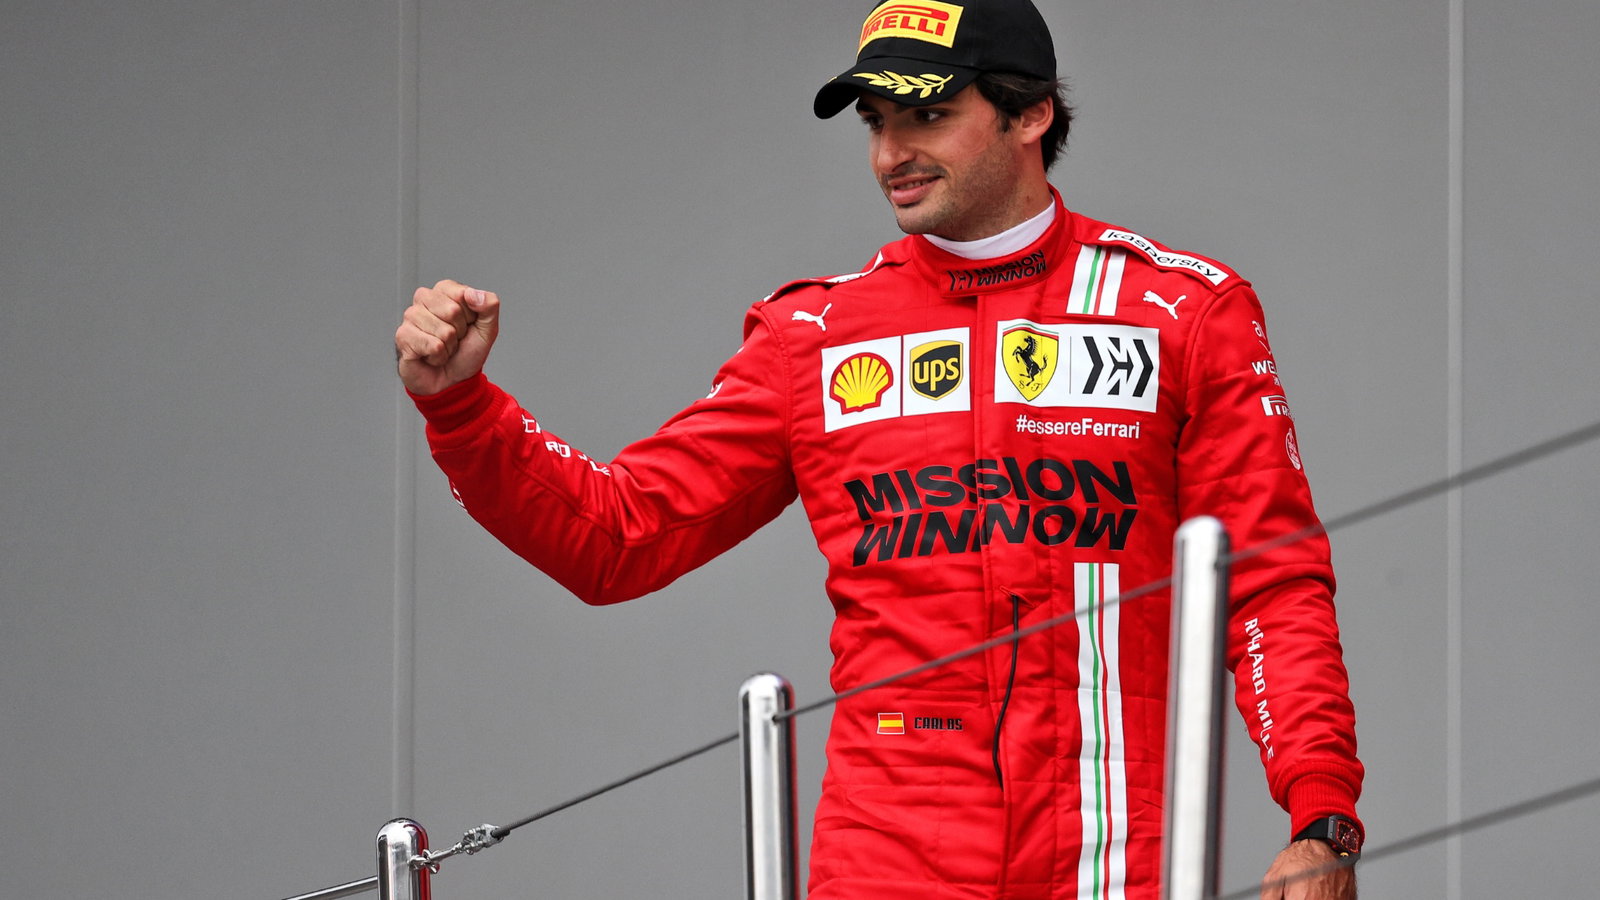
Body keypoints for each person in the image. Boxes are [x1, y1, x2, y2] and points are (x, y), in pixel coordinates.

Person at [394, 1, 1364, 897]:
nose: (891, 153)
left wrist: (1321, 818)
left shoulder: (1179, 313)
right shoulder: (815, 337)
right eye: (875, 122)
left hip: (1111, 861)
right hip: (886, 864)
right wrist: (462, 408)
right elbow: (618, 537)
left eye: (927, 115)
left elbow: (1270, 584)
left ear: (1030, 114)